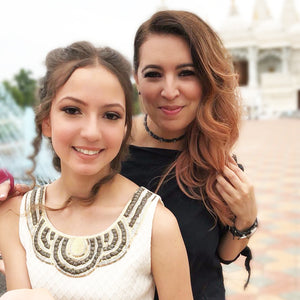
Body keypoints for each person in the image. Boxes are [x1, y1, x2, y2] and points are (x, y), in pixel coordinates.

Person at [0, 10, 258, 299]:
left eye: (186, 73)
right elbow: (66, 206)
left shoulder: (214, 162)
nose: (170, 90)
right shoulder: (101, 149)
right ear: (137, 79)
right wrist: (20, 204)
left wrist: (245, 223)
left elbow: (221, 255)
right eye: (154, 74)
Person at [0, 41, 193, 300]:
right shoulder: (15, 216)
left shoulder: (157, 224)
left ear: (125, 128)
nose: (91, 132)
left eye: (110, 115)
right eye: (72, 110)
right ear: (47, 122)